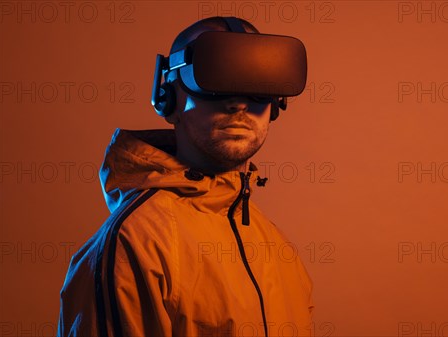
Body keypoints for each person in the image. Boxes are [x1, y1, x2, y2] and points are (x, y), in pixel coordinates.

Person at [57, 16, 314, 337]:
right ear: (168, 97)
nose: (239, 102)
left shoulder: (279, 251)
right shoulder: (133, 245)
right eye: (214, 79)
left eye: (259, 86)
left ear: (277, 104)